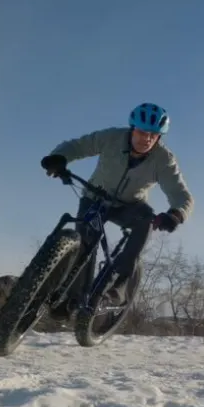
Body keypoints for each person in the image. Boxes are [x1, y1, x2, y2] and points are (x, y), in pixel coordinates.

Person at [39, 102, 194, 319]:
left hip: (129, 206)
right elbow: (78, 146)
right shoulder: (111, 137)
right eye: (142, 132)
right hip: (94, 198)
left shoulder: (164, 159)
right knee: (84, 244)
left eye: (154, 135)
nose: (147, 139)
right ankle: (73, 300)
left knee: (146, 221)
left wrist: (176, 214)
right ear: (132, 129)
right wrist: (59, 158)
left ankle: (115, 293)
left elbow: (181, 194)